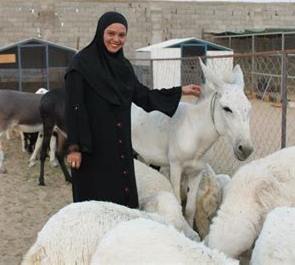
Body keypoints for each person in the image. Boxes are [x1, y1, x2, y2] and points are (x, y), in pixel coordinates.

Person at [65, 11, 201, 209]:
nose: (116, 39)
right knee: (94, 199)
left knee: (120, 198)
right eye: (111, 34)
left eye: (121, 35)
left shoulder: (124, 66)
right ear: (100, 32)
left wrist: (180, 91)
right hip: (92, 147)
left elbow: (142, 95)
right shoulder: (81, 64)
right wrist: (74, 148)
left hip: (118, 145)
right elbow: (74, 107)